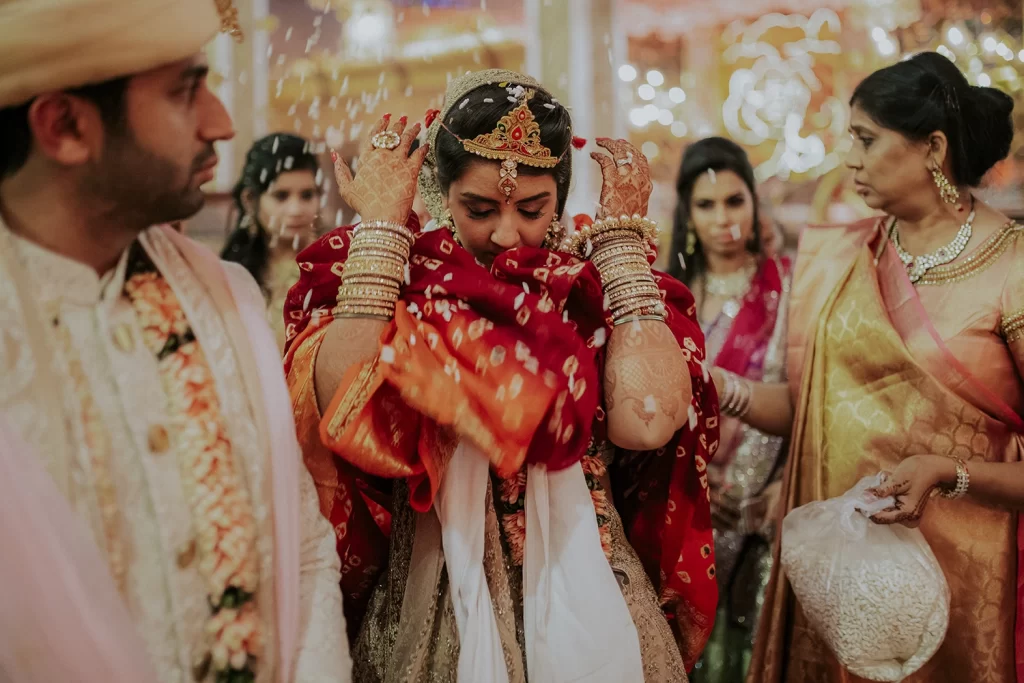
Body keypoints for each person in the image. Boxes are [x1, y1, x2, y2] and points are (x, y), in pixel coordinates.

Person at [283, 69, 720, 681]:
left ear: (561, 201)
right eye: (480, 208)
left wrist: (620, 249)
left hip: (589, 570)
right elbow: (344, 403)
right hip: (434, 591)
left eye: (534, 208)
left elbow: (643, 423)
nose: (507, 233)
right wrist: (381, 229)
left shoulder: (591, 285)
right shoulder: (410, 282)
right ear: (439, 192)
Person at [0, 1, 351, 682]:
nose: (221, 122)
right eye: (185, 90)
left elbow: (304, 554)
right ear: (66, 126)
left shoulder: (226, 299)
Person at [722, 51, 1024, 683]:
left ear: (932, 147)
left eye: (865, 139)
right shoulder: (842, 258)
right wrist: (722, 387)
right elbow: (809, 416)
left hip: (970, 590)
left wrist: (949, 472)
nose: (850, 159)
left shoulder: (1012, 269)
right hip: (840, 591)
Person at [668, 138, 788, 683]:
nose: (724, 219)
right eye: (707, 205)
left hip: (767, 506)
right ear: (687, 214)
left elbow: (811, 399)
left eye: (735, 201)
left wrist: (785, 486)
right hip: (690, 506)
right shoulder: (670, 294)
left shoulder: (788, 286)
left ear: (754, 203)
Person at [221, 133, 324, 349]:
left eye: (307, 195)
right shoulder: (230, 272)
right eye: (281, 196)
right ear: (250, 200)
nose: (296, 210)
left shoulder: (332, 265)